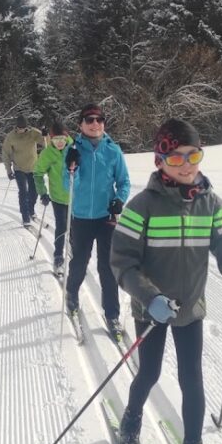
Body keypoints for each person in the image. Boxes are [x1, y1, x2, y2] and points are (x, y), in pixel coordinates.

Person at [110, 118, 222, 444]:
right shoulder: (140, 207)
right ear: (159, 161)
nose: (186, 164)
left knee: (192, 379)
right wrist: (149, 296)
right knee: (150, 372)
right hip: (152, 309)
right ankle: (131, 421)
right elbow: (122, 264)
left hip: (190, 308)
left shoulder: (211, 204)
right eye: (175, 158)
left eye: (193, 155)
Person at [62, 103, 131, 339]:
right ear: (80, 125)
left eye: (99, 120)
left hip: (106, 218)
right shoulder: (72, 150)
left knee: (108, 268)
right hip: (81, 217)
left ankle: (112, 314)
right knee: (80, 262)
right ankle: (71, 294)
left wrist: (119, 200)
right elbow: (66, 186)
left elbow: (124, 182)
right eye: (89, 120)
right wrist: (73, 168)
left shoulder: (113, 151)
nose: (95, 124)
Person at [32, 120, 73, 276]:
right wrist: (42, 192)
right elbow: (37, 174)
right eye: (55, 140)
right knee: (62, 227)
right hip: (58, 199)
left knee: (75, 229)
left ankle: (74, 251)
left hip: (76, 198)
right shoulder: (47, 154)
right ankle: (58, 257)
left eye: (62, 139)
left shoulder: (75, 148)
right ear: (50, 139)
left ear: (66, 137)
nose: (59, 143)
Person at [2, 114, 43, 227]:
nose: (21, 130)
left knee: (34, 192)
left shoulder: (33, 133)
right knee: (23, 192)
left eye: (24, 128)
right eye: (19, 128)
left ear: (27, 127)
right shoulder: (11, 137)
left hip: (33, 167)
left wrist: (45, 135)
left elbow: (46, 143)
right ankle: (25, 217)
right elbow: (6, 154)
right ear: (16, 127)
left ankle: (31, 210)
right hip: (19, 168)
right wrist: (9, 171)